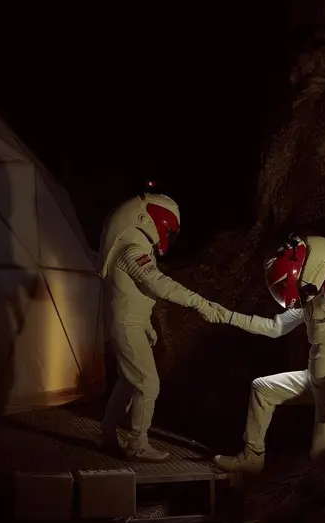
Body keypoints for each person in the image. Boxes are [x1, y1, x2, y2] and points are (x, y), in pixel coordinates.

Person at [213, 234, 325, 523]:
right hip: (316, 380)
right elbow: (275, 327)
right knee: (262, 389)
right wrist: (226, 315)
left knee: (322, 455)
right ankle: (253, 457)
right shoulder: (310, 291)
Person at [98, 190, 229, 462]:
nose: (167, 235)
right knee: (147, 385)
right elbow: (157, 284)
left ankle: (107, 435)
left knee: (127, 382)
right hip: (127, 326)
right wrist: (199, 303)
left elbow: (132, 293)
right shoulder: (131, 250)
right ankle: (137, 444)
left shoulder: (132, 247)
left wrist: (145, 323)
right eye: (166, 229)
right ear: (150, 220)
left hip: (129, 324)